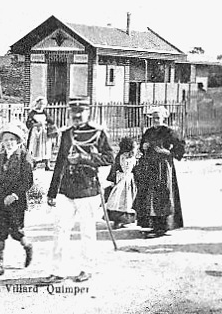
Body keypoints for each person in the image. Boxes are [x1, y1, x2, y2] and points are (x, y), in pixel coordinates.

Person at [46, 97, 114, 283]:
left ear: (87, 112)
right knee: (60, 229)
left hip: (87, 189)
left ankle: (87, 269)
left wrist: (85, 159)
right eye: (73, 113)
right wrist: (52, 192)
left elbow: (109, 158)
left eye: (80, 112)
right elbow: (59, 163)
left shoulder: (98, 134)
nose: (76, 116)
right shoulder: (67, 134)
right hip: (66, 189)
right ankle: (57, 271)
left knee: (87, 230)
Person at [0, 120, 34, 277]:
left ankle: (28, 247)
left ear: (18, 141)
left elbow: (28, 181)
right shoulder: (1, 157)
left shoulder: (24, 157)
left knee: (16, 231)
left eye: (11, 140)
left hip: (16, 202)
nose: (8, 143)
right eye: (6, 140)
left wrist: (14, 196)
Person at [133, 106, 185, 238]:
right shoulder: (148, 132)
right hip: (149, 166)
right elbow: (142, 146)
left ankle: (163, 226)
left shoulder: (169, 132)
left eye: (158, 118)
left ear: (163, 118)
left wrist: (168, 152)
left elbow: (180, 146)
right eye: (154, 118)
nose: (156, 120)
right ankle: (152, 225)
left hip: (163, 166)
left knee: (162, 195)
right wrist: (143, 147)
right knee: (149, 195)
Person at [105, 137, 139, 229]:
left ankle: (123, 220)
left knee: (126, 200)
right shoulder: (124, 157)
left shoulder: (128, 157)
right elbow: (115, 168)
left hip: (126, 180)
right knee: (120, 200)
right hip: (122, 181)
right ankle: (119, 220)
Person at [25, 97, 57, 170]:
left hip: (44, 132)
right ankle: (34, 164)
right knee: (35, 147)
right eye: (40, 103)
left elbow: (51, 121)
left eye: (43, 104)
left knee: (46, 147)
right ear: (37, 103)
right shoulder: (32, 112)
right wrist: (35, 124)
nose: (42, 105)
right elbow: (28, 123)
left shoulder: (45, 112)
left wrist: (46, 124)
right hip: (35, 132)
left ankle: (47, 164)